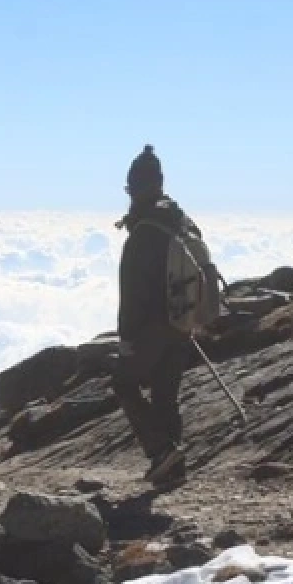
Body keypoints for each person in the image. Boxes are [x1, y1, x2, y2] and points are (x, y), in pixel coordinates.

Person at [113, 145, 194, 485]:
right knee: (165, 394)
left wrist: (127, 337)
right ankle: (173, 466)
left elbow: (134, 292)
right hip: (182, 320)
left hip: (151, 326)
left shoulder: (144, 233)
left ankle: (160, 450)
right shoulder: (181, 221)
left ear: (135, 188)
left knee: (123, 382)